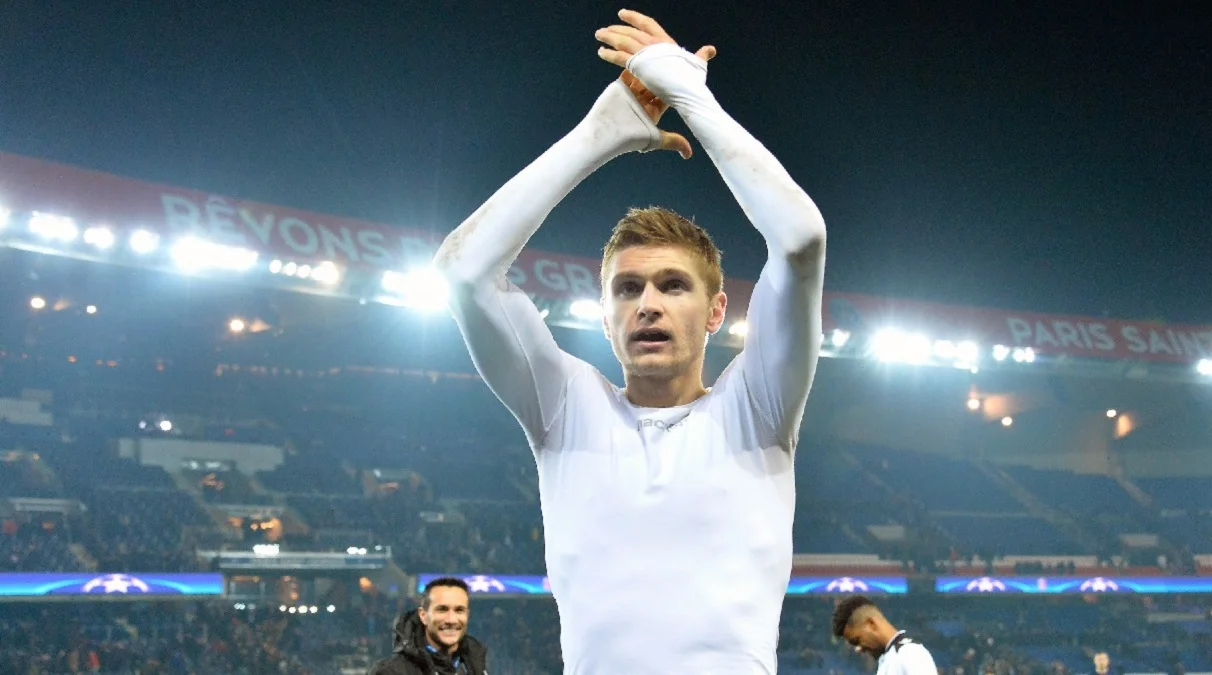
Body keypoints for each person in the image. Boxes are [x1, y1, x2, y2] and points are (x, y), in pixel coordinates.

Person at [434, 9, 826, 674]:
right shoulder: (565, 407)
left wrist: (689, 95)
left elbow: (801, 237)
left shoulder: (756, 407)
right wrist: (601, 133)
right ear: (605, 316)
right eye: (627, 289)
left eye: (673, 286)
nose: (647, 303)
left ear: (716, 311)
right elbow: (463, 272)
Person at [369, 577, 488, 675]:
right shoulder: (392, 671)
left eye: (459, 610)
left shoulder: (476, 666)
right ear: (423, 615)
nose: (451, 619)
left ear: (467, 615)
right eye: (442, 610)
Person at [831, 595, 938, 675]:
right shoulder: (889, 658)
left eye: (857, 640)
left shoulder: (910, 653)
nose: (858, 649)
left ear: (871, 624)